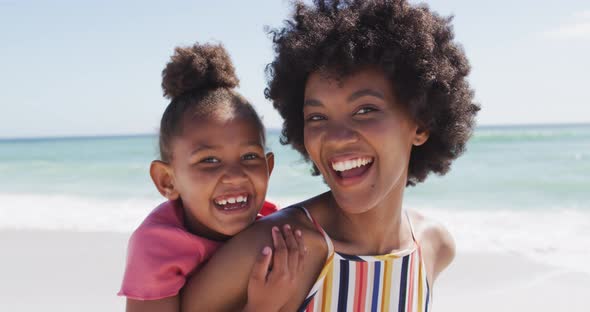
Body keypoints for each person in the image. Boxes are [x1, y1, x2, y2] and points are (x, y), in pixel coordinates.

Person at [181, 0, 480, 311]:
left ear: (421, 124)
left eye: (365, 110)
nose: (336, 138)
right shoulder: (272, 250)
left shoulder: (434, 247)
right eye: (317, 117)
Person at [118, 42, 305, 312]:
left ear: (268, 168)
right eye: (209, 160)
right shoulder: (157, 247)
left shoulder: (275, 229)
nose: (234, 176)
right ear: (167, 181)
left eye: (249, 157)